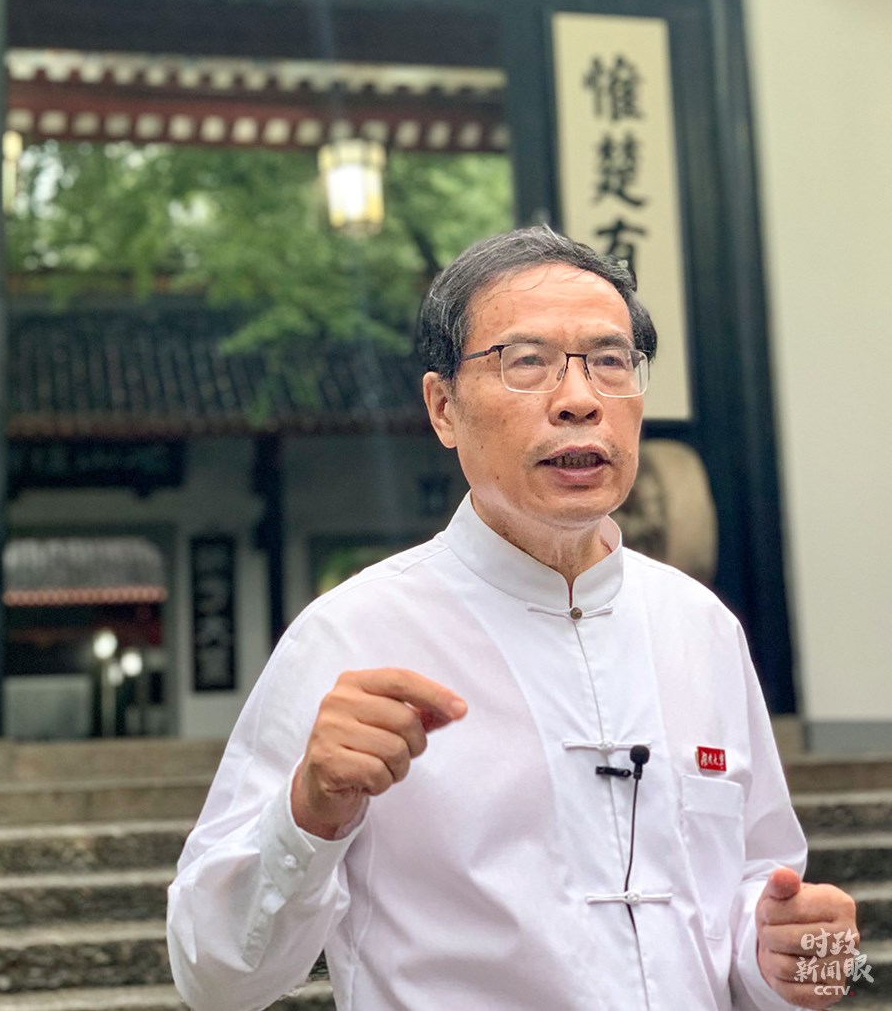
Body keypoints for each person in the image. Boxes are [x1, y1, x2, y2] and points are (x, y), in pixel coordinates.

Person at [167, 226, 857, 1010]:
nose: (580, 398)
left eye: (610, 361)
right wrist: (310, 810)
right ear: (443, 408)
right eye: (527, 361)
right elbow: (213, 976)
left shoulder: (701, 627)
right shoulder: (351, 635)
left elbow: (748, 890)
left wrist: (780, 951)